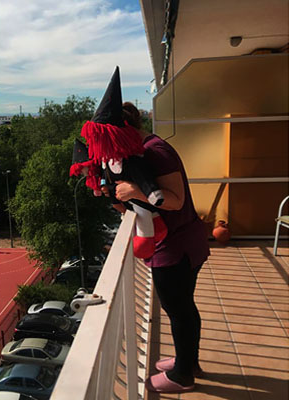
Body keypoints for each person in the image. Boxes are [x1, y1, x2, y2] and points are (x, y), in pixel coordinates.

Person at [113, 102, 210, 393]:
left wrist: (135, 191)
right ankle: (187, 361)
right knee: (184, 307)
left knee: (177, 309)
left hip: (177, 246)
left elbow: (175, 199)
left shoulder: (156, 150)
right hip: (178, 243)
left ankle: (182, 376)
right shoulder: (144, 152)